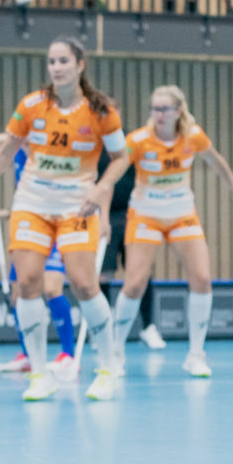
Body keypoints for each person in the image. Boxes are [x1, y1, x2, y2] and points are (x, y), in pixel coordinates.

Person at [0, 36, 127, 402]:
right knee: (28, 282)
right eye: (52, 61)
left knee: (84, 284)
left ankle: (109, 368)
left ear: (80, 65)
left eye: (64, 61)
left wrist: (101, 190)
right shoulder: (32, 105)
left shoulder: (101, 111)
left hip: (77, 206)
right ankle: (38, 373)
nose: (56, 68)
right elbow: (4, 154)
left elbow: (122, 158)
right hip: (31, 204)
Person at [100, 86, 233, 378]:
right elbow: (112, 175)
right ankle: (116, 352)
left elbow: (216, 161)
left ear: (178, 111)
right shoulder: (138, 140)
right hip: (145, 215)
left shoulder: (193, 136)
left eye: (164, 109)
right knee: (134, 284)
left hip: (182, 215)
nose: (158, 115)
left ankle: (196, 355)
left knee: (202, 279)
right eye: (154, 109)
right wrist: (102, 210)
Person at [0, 134, 78, 379]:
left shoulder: (51, 157)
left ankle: (68, 355)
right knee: (17, 294)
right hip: (29, 230)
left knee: (52, 289)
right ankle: (28, 355)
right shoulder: (18, 155)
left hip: (54, 227)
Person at [96, 147, 163, 352]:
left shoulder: (131, 146)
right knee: (103, 275)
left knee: (140, 275)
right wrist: (102, 217)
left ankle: (148, 327)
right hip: (105, 218)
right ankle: (103, 330)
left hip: (134, 215)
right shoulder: (96, 147)